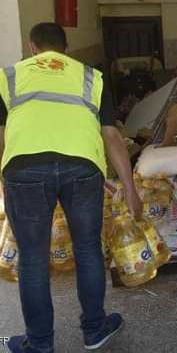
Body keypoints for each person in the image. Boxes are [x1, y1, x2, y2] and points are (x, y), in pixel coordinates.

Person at [0, 23, 143, 353]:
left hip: (25, 169)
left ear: (32, 47)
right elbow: (111, 136)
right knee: (89, 251)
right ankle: (94, 330)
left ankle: (39, 344)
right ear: (65, 48)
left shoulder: (9, 75)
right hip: (82, 166)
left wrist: (5, 175)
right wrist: (130, 188)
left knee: (33, 261)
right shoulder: (91, 76)